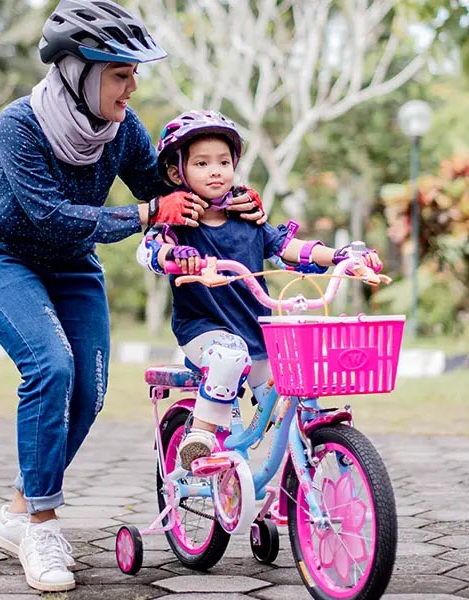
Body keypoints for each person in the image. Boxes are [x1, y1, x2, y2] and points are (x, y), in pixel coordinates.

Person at [0, 1, 265, 593]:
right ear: (78, 72)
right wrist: (147, 212)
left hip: (73, 264)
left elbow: (167, 189)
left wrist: (235, 203)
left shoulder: (123, 130)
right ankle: (43, 526)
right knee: (51, 366)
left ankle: (19, 509)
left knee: (90, 390)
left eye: (133, 75)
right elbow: (50, 217)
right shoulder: (19, 125)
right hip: (5, 255)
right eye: (120, 74)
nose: (132, 88)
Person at [137, 110, 382, 470]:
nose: (216, 170)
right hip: (204, 330)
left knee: (293, 389)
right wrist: (174, 255)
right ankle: (200, 437)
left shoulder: (249, 220)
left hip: (258, 333)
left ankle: (301, 475)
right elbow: (149, 251)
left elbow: (289, 247)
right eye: (202, 163)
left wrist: (338, 255)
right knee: (229, 354)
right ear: (177, 172)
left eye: (224, 161)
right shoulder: (179, 225)